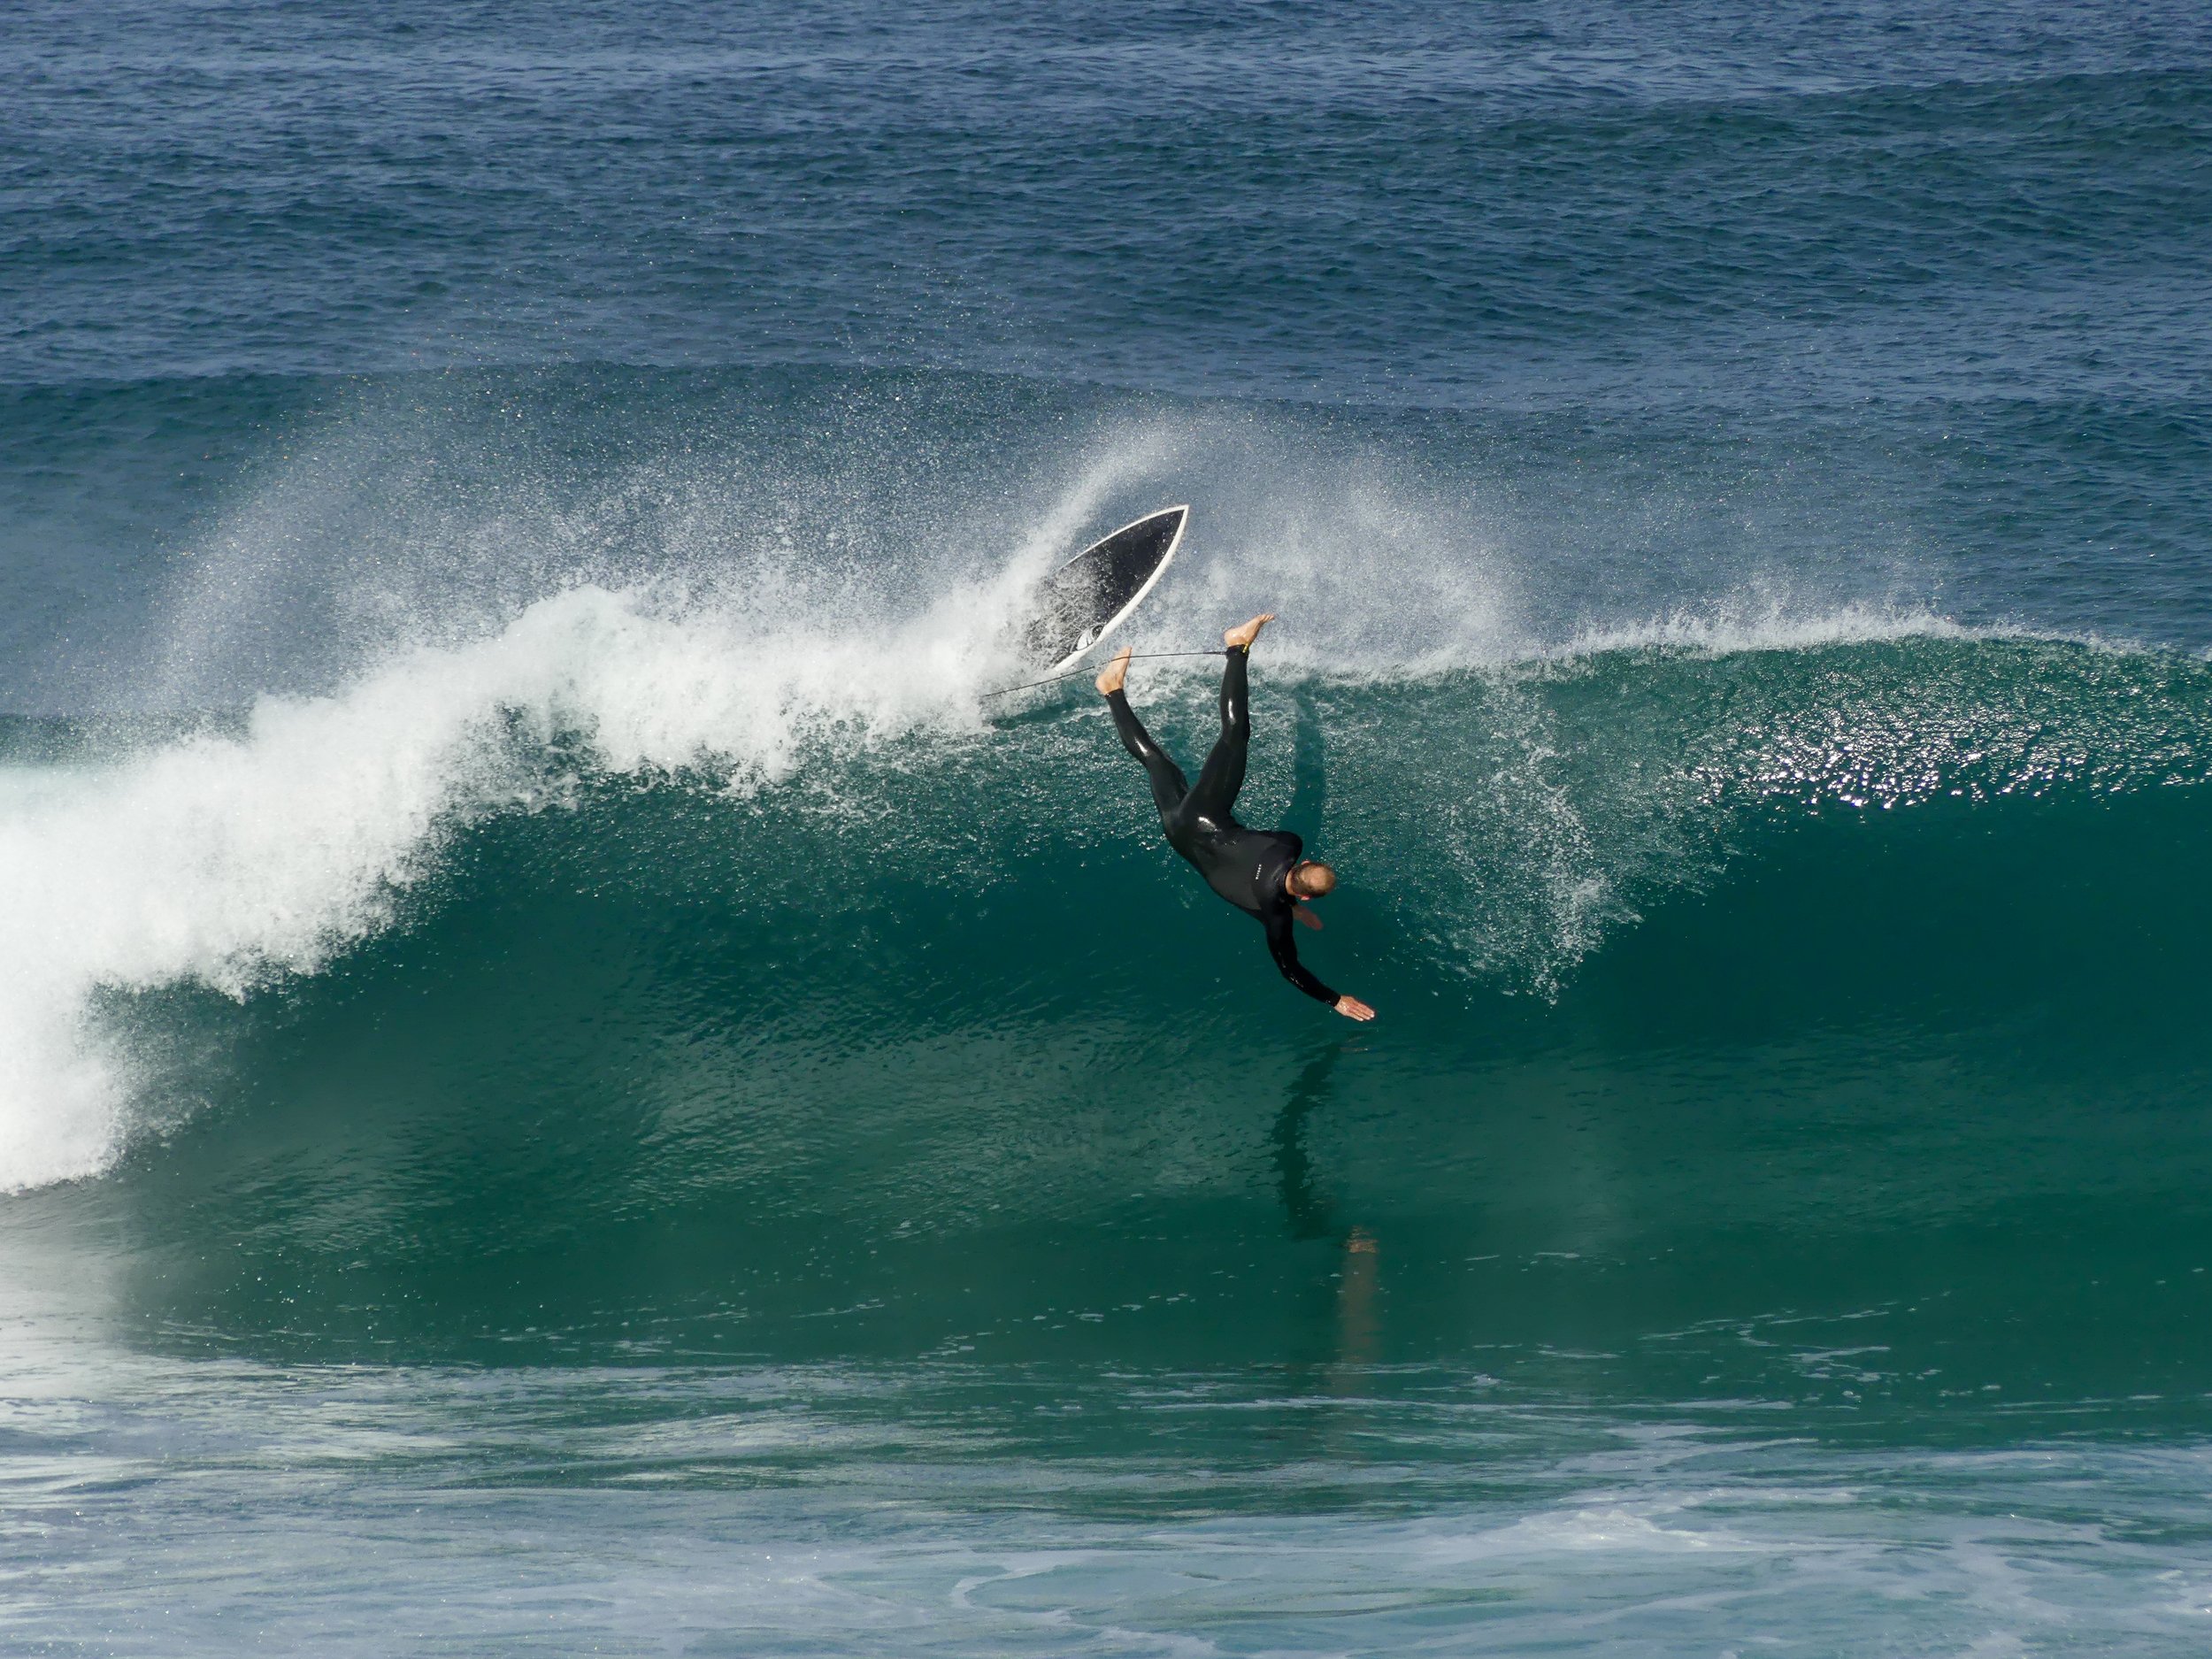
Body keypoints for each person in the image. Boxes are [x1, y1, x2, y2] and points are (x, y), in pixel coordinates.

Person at [1096, 613, 1376, 1021]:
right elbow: (1289, 968)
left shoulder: (1289, 845)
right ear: (1306, 896)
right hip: (1177, 836)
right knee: (1157, 763)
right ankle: (1111, 690)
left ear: (1307, 865)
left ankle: (1237, 647)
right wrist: (1336, 1000)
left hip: (1204, 817)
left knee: (1234, 735)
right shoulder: (1272, 911)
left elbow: (1261, 852)